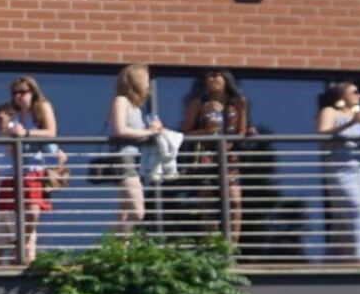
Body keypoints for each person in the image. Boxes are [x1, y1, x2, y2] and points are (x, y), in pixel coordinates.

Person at [0, 75, 59, 261]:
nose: (19, 96)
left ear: (32, 92)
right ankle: (21, 249)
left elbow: (52, 132)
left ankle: (22, 244)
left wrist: (26, 133)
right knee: (19, 212)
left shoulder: (42, 107)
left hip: (35, 167)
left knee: (33, 211)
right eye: (15, 93)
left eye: (23, 92)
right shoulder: (16, 114)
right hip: (18, 169)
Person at [178, 70, 250, 248]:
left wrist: (241, 138)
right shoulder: (200, 103)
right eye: (208, 76)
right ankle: (215, 246)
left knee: (235, 201)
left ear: (226, 78)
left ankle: (232, 247)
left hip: (229, 157)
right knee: (208, 202)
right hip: (206, 156)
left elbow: (242, 131)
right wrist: (205, 132)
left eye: (216, 75)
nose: (212, 79)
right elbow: (185, 132)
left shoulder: (238, 103)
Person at [317, 77, 360, 265]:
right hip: (341, 170)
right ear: (342, 95)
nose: (359, 95)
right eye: (354, 92)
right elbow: (323, 133)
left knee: (356, 215)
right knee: (358, 210)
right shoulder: (330, 111)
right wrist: (352, 122)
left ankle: (338, 258)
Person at [101, 65, 163, 237]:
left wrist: (154, 130)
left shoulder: (137, 108)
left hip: (137, 161)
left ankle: (120, 255)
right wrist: (149, 132)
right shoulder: (121, 100)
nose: (148, 84)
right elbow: (119, 129)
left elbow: (139, 136)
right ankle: (108, 243)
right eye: (145, 79)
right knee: (137, 212)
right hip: (124, 160)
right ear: (135, 80)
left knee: (125, 212)